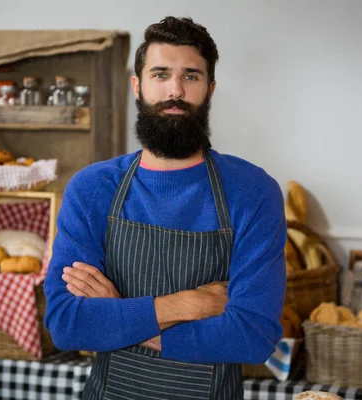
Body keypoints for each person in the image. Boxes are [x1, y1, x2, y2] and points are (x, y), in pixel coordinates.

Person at [43, 16, 287, 400]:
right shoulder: (92, 189)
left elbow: (253, 337)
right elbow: (67, 323)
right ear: (137, 86)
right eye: (160, 74)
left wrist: (119, 317)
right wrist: (192, 303)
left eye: (191, 76)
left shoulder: (254, 193)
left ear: (210, 89)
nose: (175, 90)